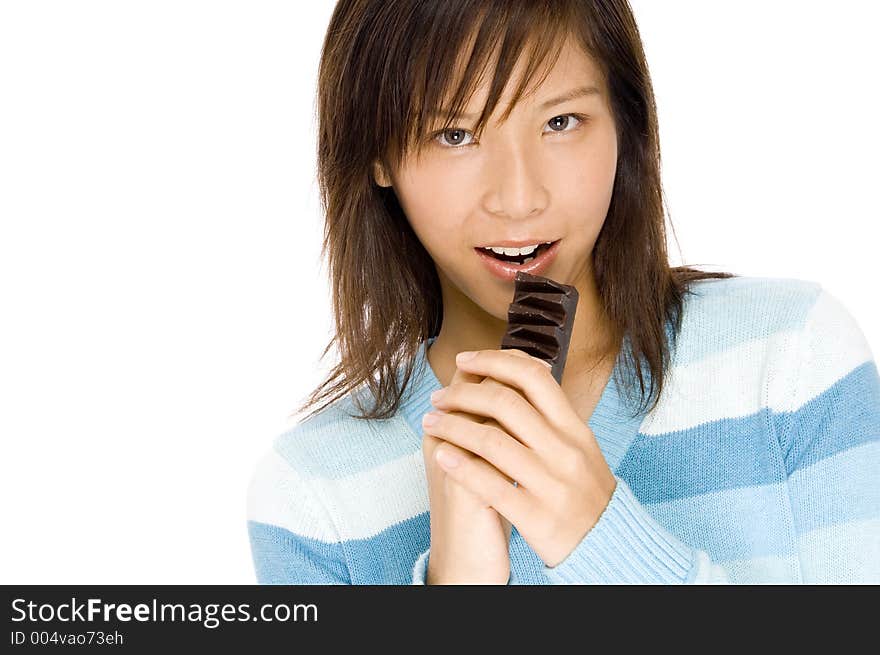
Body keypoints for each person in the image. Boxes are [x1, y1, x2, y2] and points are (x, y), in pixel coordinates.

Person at [246, 0, 880, 584]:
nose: (520, 198)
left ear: (624, 125)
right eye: (455, 135)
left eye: (561, 121)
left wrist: (597, 536)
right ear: (376, 155)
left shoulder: (791, 360)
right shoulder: (314, 501)